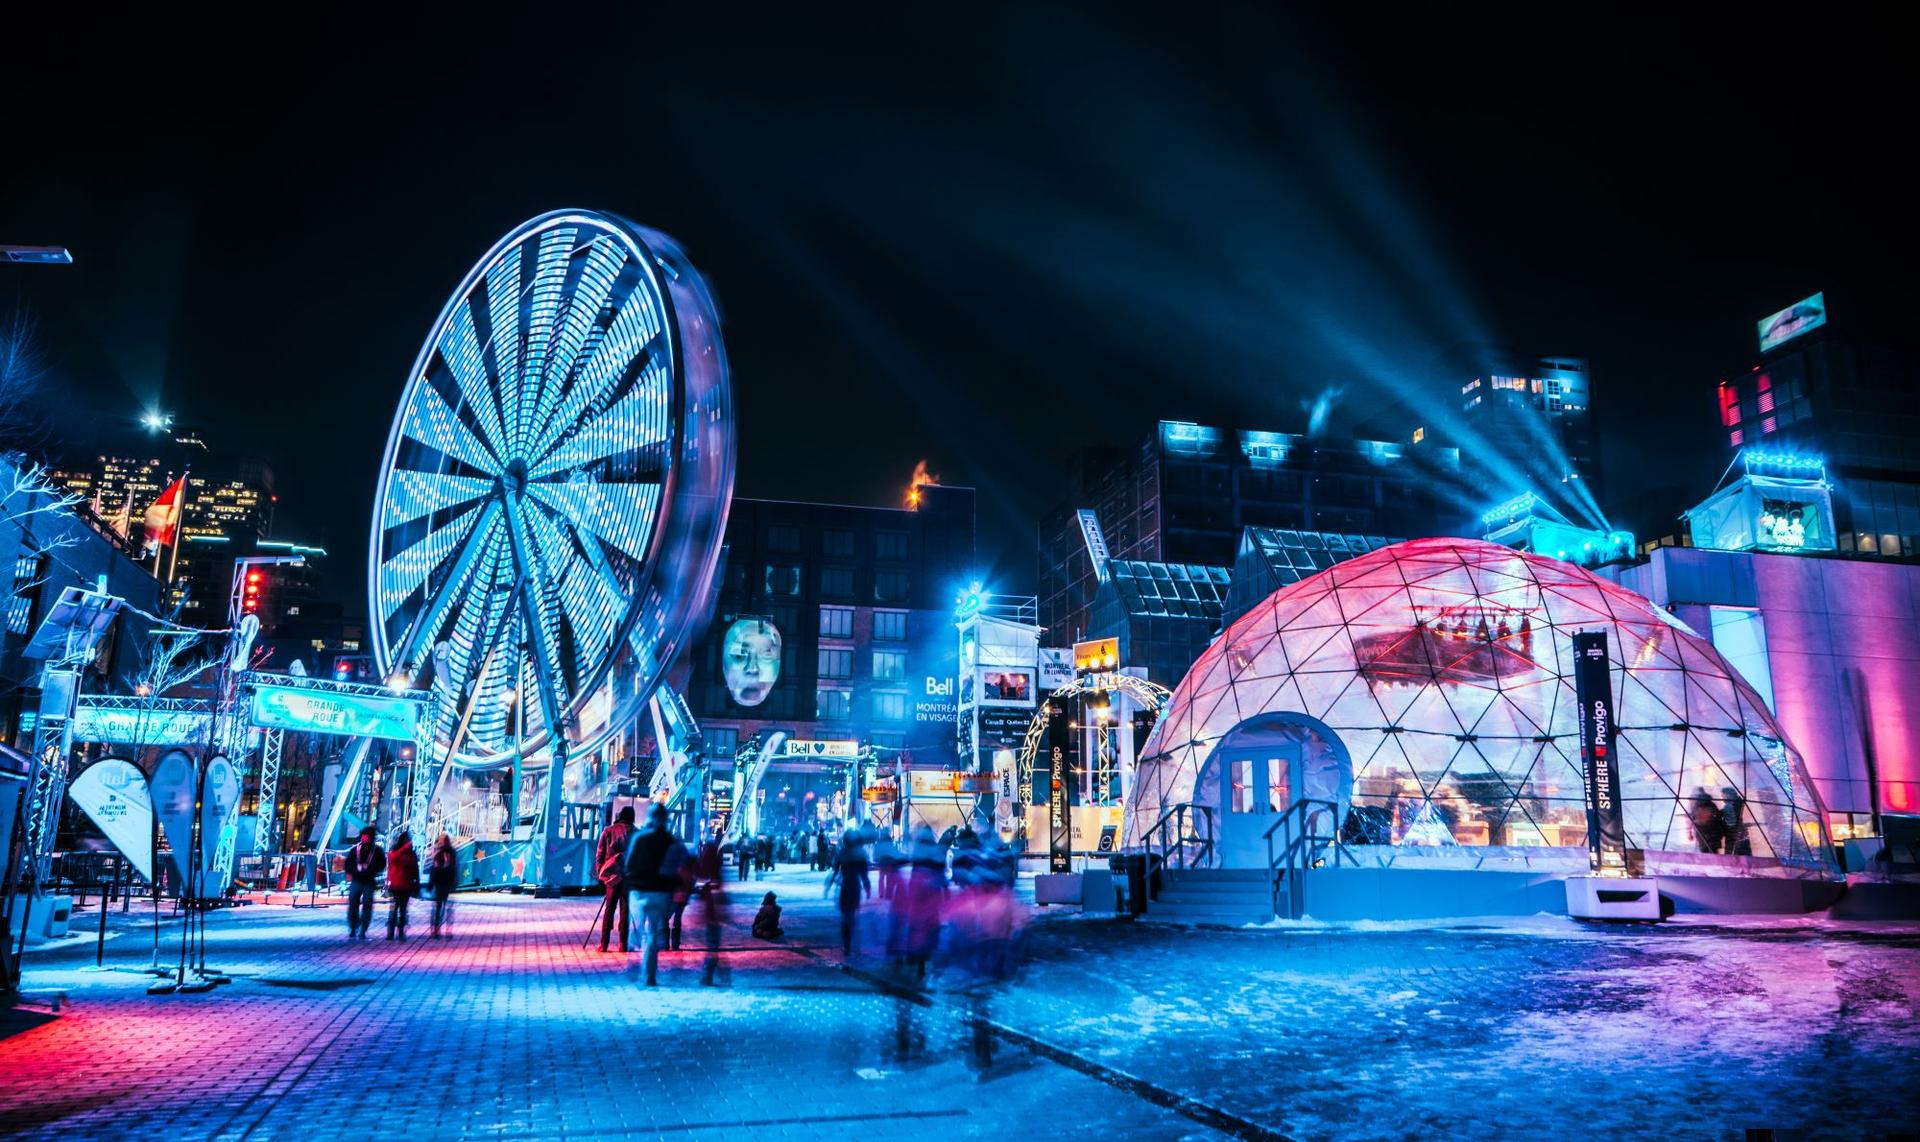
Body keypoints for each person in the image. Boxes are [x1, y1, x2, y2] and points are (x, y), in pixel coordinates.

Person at [623, 803, 689, 986]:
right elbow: (680, 865)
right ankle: (650, 975)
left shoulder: (639, 838)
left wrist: (631, 883)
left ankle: (633, 949)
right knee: (652, 933)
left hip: (639, 891)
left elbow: (628, 865)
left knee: (637, 925)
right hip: (660, 892)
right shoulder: (670, 841)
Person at [595, 806, 637, 953]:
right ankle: (623, 944)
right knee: (626, 911)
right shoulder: (637, 833)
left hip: (612, 877)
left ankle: (604, 944)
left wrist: (601, 875)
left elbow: (599, 855)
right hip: (629, 877)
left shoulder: (608, 831)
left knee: (609, 910)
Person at [829, 828, 870, 956]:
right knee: (851, 915)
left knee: (845, 916)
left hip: (845, 887)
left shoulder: (842, 853)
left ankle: (847, 944)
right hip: (855, 887)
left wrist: (828, 885)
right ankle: (851, 942)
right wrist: (867, 887)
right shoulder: (860, 854)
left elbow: (835, 871)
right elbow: (864, 874)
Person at [341, 827, 386, 940]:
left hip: (369, 881)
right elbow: (348, 864)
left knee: (367, 905)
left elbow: (382, 864)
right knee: (353, 903)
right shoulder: (355, 849)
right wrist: (354, 870)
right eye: (363, 836)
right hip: (356, 880)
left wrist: (371, 870)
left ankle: (363, 929)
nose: (364, 838)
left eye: (367, 836)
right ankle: (353, 927)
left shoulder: (377, 851)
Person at [385, 831, 419, 941]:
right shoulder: (395, 852)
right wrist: (404, 848)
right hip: (396, 884)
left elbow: (415, 868)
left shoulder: (411, 853)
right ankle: (391, 931)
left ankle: (400, 931)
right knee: (394, 909)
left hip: (406, 884)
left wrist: (416, 882)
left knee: (403, 909)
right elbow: (392, 858)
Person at [428, 834, 459, 939]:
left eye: (443, 840)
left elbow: (453, 867)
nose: (442, 842)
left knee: (446, 907)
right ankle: (436, 930)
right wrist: (431, 882)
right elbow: (434, 867)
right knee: (438, 907)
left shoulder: (450, 852)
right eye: (440, 840)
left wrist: (454, 882)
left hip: (445, 881)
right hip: (439, 881)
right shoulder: (438, 851)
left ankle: (447, 930)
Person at [1690, 789, 1728, 854]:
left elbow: (1693, 818)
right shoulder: (1711, 805)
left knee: (1704, 851)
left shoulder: (1696, 806)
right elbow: (1718, 817)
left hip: (1701, 833)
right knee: (1713, 852)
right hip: (1713, 834)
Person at [1721, 787, 1752, 857]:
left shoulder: (1731, 805)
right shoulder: (1736, 802)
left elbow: (1731, 819)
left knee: (1732, 852)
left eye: (1723, 795)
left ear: (1728, 794)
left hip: (1733, 832)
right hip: (1738, 832)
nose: (1722, 797)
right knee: (1739, 852)